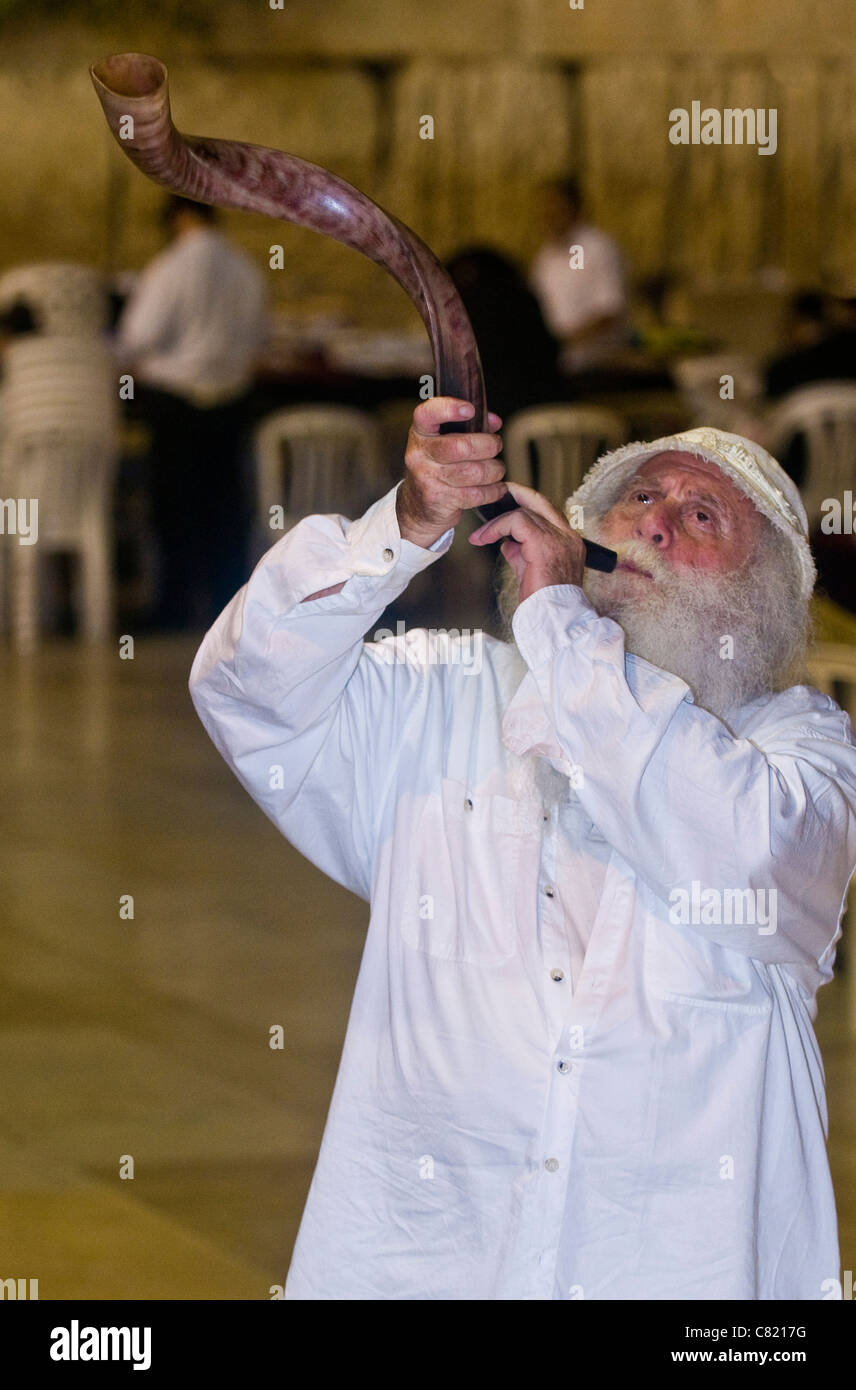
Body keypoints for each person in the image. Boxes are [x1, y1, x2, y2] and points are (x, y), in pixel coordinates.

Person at [188, 396, 856, 1300]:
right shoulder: (451, 694)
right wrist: (406, 523)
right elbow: (245, 688)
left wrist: (562, 626)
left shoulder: (802, 753)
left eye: (700, 517)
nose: (654, 524)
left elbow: (744, 851)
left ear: (761, 600)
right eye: (636, 501)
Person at [114, 194, 269, 629]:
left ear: (177, 218)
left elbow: (137, 336)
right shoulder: (246, 268)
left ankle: (176, 607)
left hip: (178, 404)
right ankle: (228, 607)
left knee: (174, 510)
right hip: (231, 404)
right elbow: (260, 334)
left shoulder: (171, 266)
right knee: (227, 510)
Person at [529, 177, 628, 373]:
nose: (548, 213)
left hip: (594, 368)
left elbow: (610, 310)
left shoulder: (598, 248)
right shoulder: (546, 254)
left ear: (574, 207)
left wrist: (564, 342)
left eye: (555, 205)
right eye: (544, 206)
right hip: (557, 365)